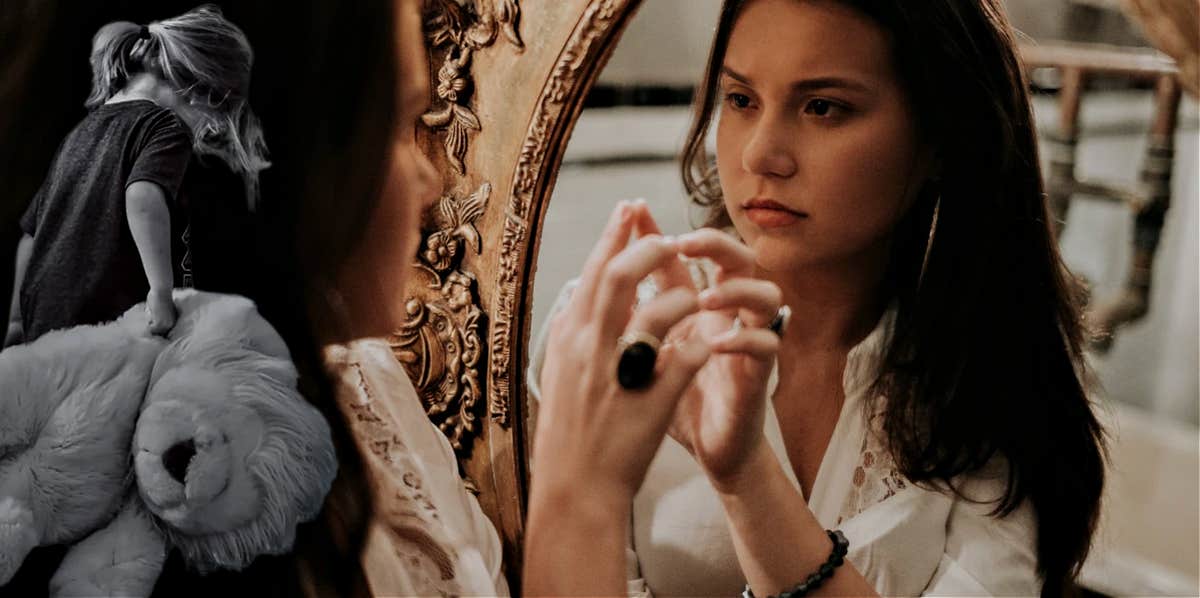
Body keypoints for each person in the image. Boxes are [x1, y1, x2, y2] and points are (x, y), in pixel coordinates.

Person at [525, 1, 1108, 597]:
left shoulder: (991, 370)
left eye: (823, 107)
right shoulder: (619, 340)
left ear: (940, 138)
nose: (760, 154)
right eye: (741, 100)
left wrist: (746, 477)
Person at [5, 5, 267, 347]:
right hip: (107, 325)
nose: (210, 128)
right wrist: (160, 292)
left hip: (44, 322)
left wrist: (16, 318)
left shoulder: (83, 132)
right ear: (202, 89)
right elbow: (142, 196)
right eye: (216, 117)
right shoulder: (165, 127)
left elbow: (30, 236)